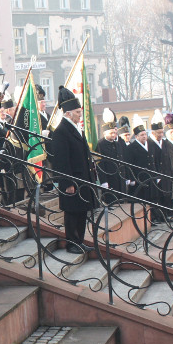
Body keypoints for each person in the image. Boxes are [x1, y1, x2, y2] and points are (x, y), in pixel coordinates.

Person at [48, 86, 96, 252]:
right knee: (72, 212)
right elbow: (61, 160)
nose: (79, 115)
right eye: (77, 112)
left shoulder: (76, 128)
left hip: (82, 178)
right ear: (68, 113)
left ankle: (80, 240)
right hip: (72, 179)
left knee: (82, 211)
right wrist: (67, 182)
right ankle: (72, 243)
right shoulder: (61, 131)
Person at [124, 114, 155, 203]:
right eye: (142, 135)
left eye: (145, 134)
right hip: (139, 179)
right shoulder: (131, 148)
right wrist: (132, 179)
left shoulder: (150, 145)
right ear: (137, 136)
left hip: (150, 177)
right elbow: (129, 164)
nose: (144, 136)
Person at [95, 108, 123, 202]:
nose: (113, 135)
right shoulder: (100, 145)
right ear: (105, 133)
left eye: (115, 133)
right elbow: (100, 164)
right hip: (109, 179)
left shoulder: (117, 144)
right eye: (111, 133)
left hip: (119, 179)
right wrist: (104, 181)